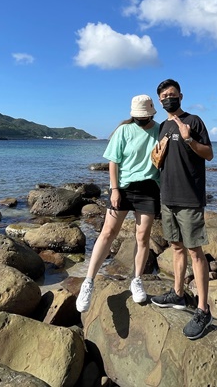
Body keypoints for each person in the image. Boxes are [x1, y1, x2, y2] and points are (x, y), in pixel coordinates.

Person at [76, 94, 161, 313]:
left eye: (144, 116)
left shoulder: (160, 131)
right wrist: (114, 190)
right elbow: (113, 162)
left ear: (151, 113)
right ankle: (88, 281)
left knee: (142, 237)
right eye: (138, 116)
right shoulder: (123, 130)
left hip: (149, 189)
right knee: (107, 233)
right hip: (123, 189)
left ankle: (136, 280)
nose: (141, 119)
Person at [149, 78, 214, 340]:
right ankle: (177, 294)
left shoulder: (194, 121)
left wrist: (188, 140)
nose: (168, 98)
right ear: (159, 101)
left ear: (181, 96)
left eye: (172, 94)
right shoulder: (163, 126)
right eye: (164, 95)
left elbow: (208, 154)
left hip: (189, 197)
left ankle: (203, 309)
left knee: (195, 252)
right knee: (175, 247)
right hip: (168, 196)